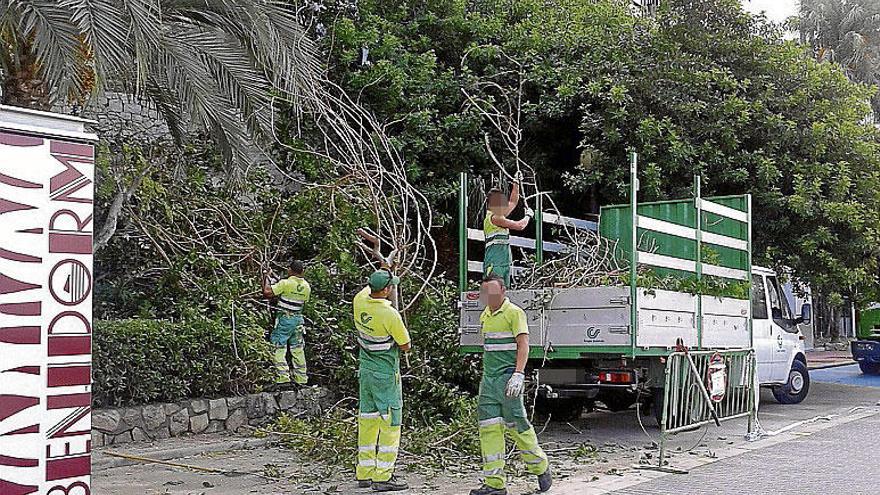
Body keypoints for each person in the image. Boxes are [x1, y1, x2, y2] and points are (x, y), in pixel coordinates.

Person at [470, 273, 551, 495]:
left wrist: (518, 374)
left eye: (492, 292)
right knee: (488, 430)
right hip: (488, 381)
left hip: (508, 379)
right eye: (485, 293)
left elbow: (523, 345)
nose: (489, 297)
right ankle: (494, 484)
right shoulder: (485, 315)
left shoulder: (515, 313)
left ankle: (541, 466)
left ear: (503, 291)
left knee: (518, 427)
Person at [353, 269, 412, 492]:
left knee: (367, 421)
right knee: (390, 424)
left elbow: (368, 288)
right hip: (386, 375)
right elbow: (406, 345)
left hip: (366, 372)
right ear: (387, 290)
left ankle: (364, 473)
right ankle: (383, 476)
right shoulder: (390, 315)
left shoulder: (358, 301)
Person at [261, 260, 311, 387]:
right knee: (297, 348)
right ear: (302, 271)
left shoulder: (286, 283)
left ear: (290, 270)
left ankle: (283, 377)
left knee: (278, 345)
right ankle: (301, 378)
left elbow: (267, 292)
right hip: (298, 320)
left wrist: (266, 276)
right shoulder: (306, 286)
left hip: (285, 319)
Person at [484, 173, 533, 287]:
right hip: (495, 264)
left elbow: (513, 202)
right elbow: (520, 226)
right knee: (495, 296)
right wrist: (528, 216)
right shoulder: (495, 218)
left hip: (503, 263)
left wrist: (516, 182)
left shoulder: (497, 214)